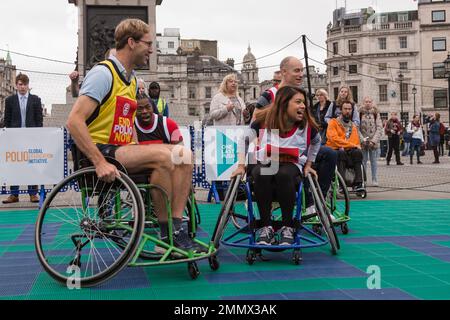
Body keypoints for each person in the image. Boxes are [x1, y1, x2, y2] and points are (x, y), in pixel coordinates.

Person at [66, 18, 196, 253]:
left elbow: (126, 120)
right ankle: (168, 231)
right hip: (101, 150)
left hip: (123, 150)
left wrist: (138, 146)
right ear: (131, 43)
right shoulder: (103, 74)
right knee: (165, 157)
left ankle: (175, 229)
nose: (152, 49)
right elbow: (74, 121)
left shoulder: (133, 79)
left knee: (185, 155)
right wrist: (99, 162)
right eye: (148, 43)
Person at [231, 86, 321, 246]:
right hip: (267, 160)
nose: (303, 106)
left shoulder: (306, 124)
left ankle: (288, 226)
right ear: (284, 103)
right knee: (261, 172)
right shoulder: (264, 120)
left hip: (290, 164)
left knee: (284, 174)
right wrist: (240, 165)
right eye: (298, 102)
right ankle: (266, 227)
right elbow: (243, 140)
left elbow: (316, 142)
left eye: (304, 103)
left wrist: (308, 164)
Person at [255, 57, 336, 214]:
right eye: (297, 71)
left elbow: (309, 123)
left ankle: (317, 203)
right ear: (284, 72)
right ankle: (303, 201)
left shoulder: (302, 95)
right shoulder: (269, 95)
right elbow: (257, 119)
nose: (301, 75)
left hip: (301, 144)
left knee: (330, 154)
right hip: (278, 145)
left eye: (302, 71)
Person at [2, 74, 43, 204]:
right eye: (20, 84)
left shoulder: (36, 100)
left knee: (32, 165)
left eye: (25, 84)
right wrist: (9, 135)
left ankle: (33, 194)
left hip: (31, 138)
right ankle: (14, 194)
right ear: (16, 85)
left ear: (28, 85)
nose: (23, 87)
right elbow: (7, 120)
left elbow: (39, 120)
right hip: (15, 138)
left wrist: (37, 135)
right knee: (15, 165)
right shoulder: (10, 101)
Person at [326, 100, 365, 192]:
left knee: (358, 152)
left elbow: (355, 141)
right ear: (341, 110)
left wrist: (351, 146)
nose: (347, 111)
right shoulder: (333, 122)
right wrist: (350, 145)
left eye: (349, 109)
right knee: (341, 152)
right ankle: (341, 184)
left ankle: (358, 183)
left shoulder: (353, 125)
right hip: (336, 149)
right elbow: (333, 138)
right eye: (345, 109)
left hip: (348, 151)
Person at [359, 97, 382, 186]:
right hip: (363, 141)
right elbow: (357, 128)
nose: (368, 103)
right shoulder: (360, 113)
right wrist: (362, 140)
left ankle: (374, 179)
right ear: (363, 103)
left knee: (374, 162)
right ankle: (363, 180)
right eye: (366, 102)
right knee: (363, 162)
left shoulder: (376, 114)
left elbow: (379, 128)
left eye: (369, 102)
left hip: (373, 142)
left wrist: (374, 141)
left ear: (372, 103)